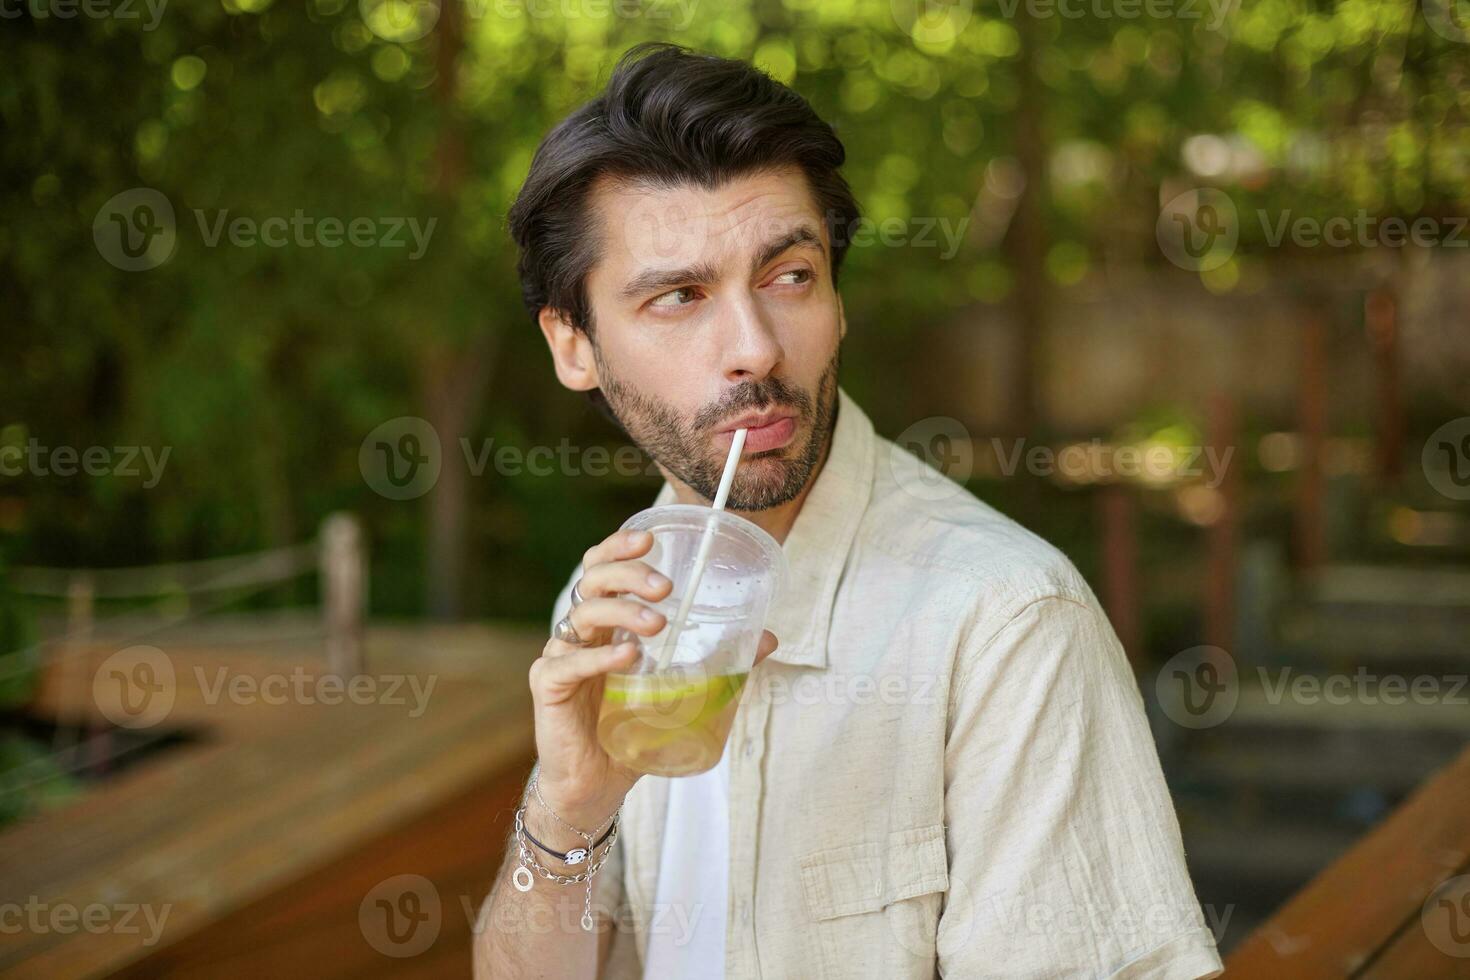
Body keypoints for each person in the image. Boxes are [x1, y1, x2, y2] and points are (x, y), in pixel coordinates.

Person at [474, 41, 1224, 980]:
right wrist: (567, 813)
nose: (753, 348)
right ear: (573, 344)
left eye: (789, 276)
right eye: (678, 297)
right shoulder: (619, 596)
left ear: (836, 294)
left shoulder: (1005, 624)